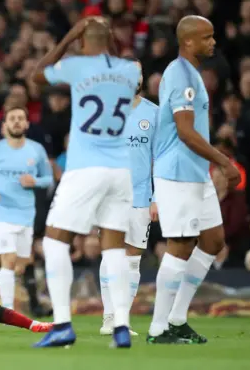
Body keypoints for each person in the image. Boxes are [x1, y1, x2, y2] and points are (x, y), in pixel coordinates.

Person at [30, 17, 142, 348]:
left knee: (54, 241)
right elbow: (117, 56)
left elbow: (37, 75)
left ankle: (63, 323)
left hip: (85, 167)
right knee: (114, 247)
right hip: (122, 171)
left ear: (83, 41)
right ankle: (121, 326)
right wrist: (107, 38)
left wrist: (68, 36)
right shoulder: (131, 70)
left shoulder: (75, 66)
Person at [147, 16, 241, 344]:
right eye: (207, 37)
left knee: (213, 242)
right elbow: (185, 132)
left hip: (195, 173)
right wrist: (224, 161)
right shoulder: (179, 73)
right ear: (188, 41)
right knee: (181, 245)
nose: (213, 42)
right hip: (177, 173)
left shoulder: (193, 74)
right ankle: (159, 328)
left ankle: (177, 318)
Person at [0, 106, 53, 311]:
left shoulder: (36, 149)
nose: (17, 122)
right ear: (4, 126)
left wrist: (34, 180)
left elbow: (48, 179)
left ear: (27, 124)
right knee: (8, 260)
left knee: (21, 264)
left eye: (20, 118)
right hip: (2, 212)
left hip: (26, 213)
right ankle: (7, 311)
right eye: (12, 118)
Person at [99, 71, 159, 337]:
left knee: (133, 260)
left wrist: (157, 197)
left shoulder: (154, 113)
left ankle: (122, 318)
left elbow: (161, 156)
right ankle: (108, 316)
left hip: (142, 196)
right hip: (112, 195)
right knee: (111, 254)